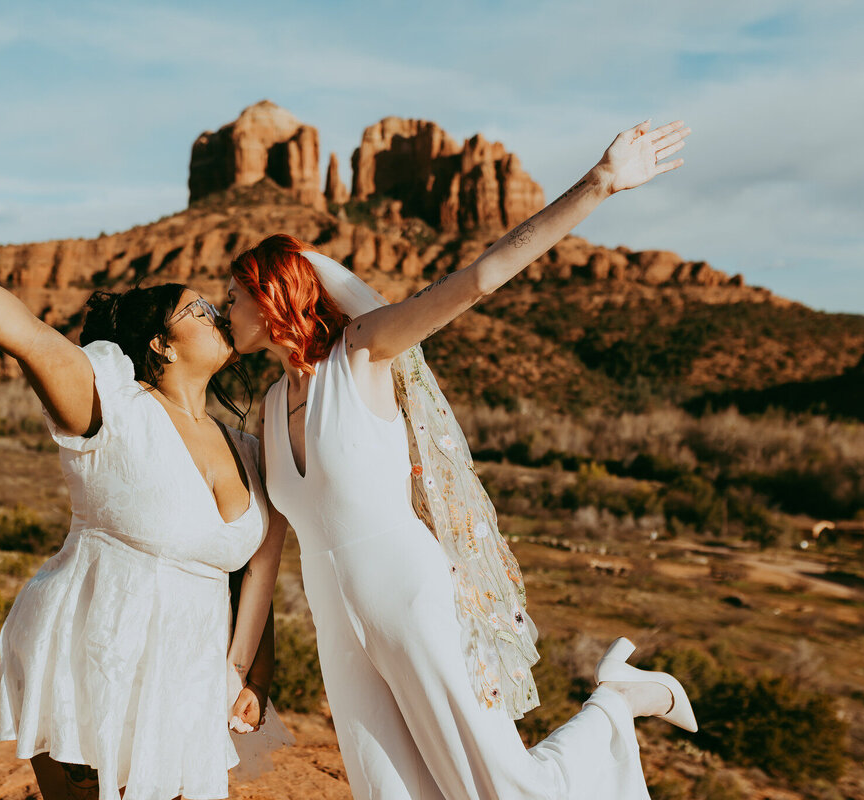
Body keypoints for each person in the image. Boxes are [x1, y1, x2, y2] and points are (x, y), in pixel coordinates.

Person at [224, 120, 695, 799]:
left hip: (410, 597)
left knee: (505, 790)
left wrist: (598, 184)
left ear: (272, 298)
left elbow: (478, 279)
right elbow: (267, 548)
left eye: (235, 293)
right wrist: (244, 672)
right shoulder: (268, 408)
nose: (224, 305)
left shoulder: (362, 352)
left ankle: (615, 704)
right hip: (335, 623)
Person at [0, 205, 290, 800]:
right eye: (199, 308)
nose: (218, 311)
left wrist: (256, 680)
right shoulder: (111, 403)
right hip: (94, 656)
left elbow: (247, 579)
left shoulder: (247, 448)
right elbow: (23, 332)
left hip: (189, 671)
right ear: (161, 343)